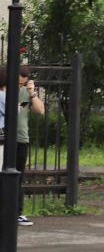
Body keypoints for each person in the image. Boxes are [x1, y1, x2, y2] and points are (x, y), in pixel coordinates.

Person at [0, 70, 45, 227]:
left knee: (17, 177)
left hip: (20, 139)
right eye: (18, 82)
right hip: (4, 139)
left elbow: (40, 110)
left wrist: (32, 93)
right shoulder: (3, 92)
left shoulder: (26, 92)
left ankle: (17, 213)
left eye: (23, 83)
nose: (19, 86)